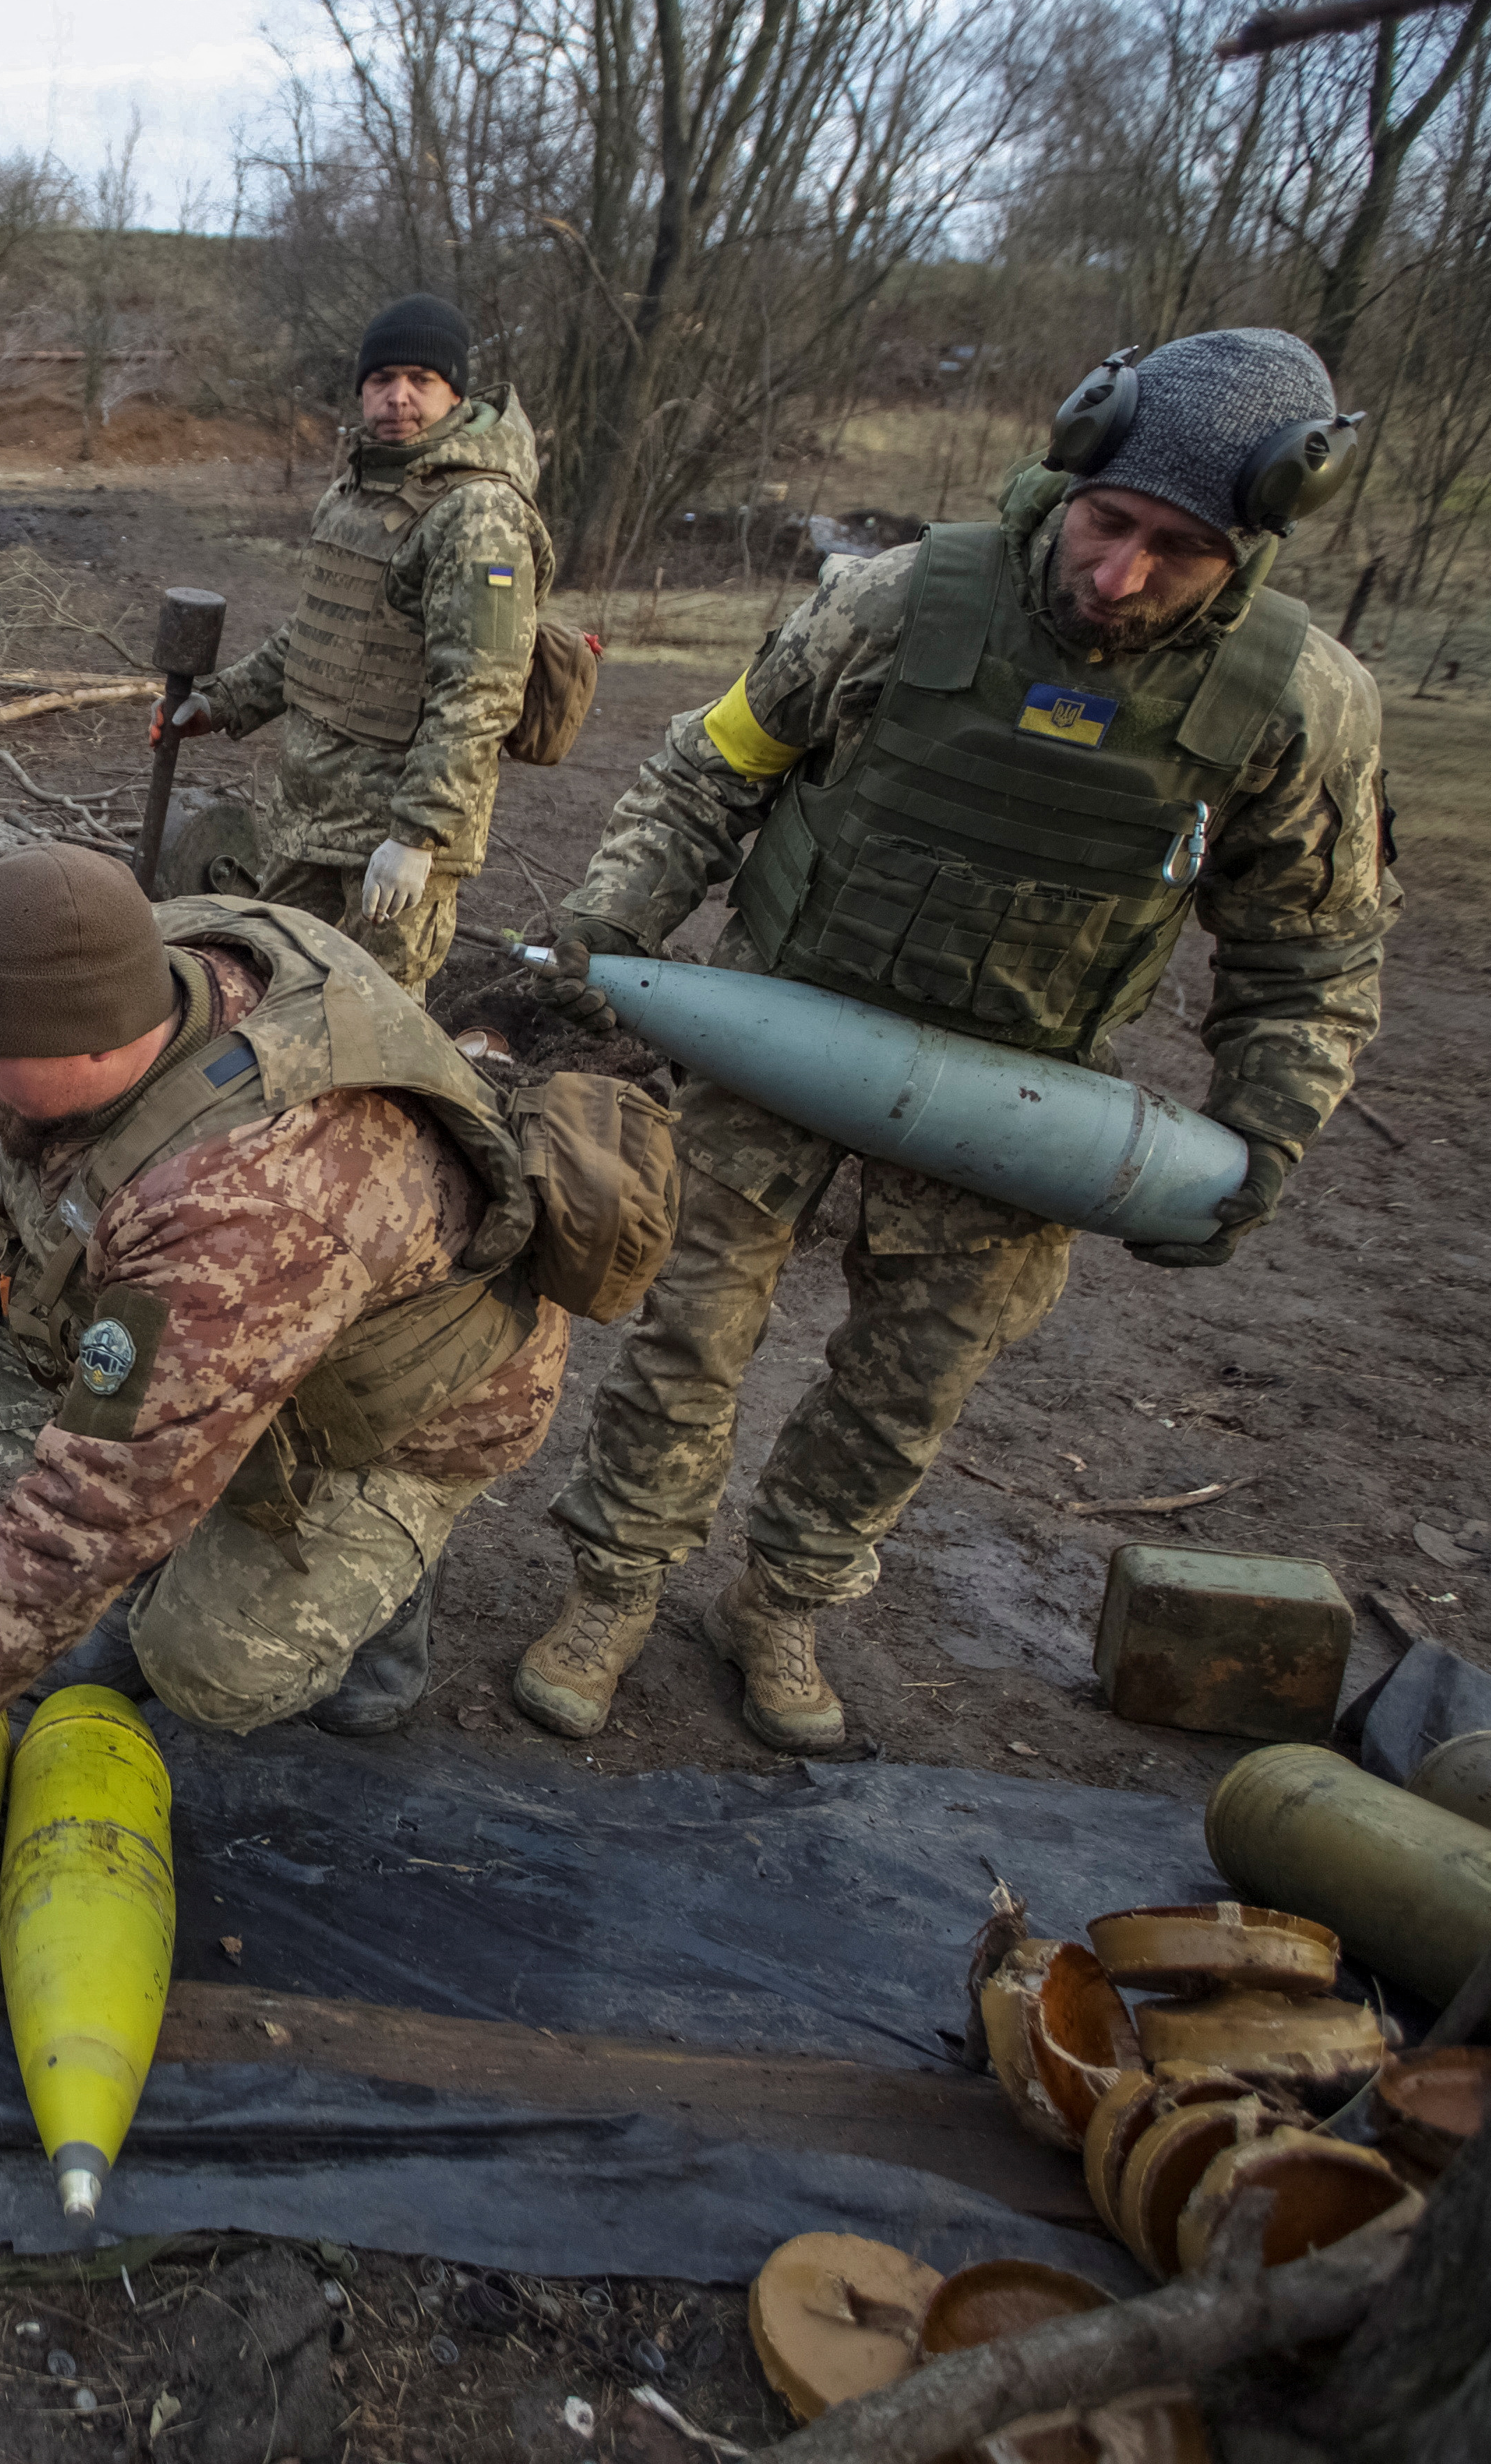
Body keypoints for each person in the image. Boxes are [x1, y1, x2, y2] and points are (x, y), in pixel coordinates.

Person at [510, 327, 1394, 1754]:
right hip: (777, 1037)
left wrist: (1265, 1136)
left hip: (1019, 1109)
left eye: (1178, 550)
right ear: (1073, 466)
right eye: (1108, 525)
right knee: (682, 1338)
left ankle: (783, 1599)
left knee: (904, 1392)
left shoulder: (1298, 708)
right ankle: (614, 1585)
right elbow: (711, 769)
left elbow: (1313, 953)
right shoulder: (899, 602)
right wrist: (612, 919)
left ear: (1256, 544)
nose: (1119, 578)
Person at [0, 845, 577, 1817]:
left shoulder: (240, 1208)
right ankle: (180, 1525)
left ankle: (390, 1597)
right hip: (277, 1317)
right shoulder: (149, 958)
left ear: (96, 1045)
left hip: (416, 1409)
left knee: (206, 1666)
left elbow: (97, 1504)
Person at [152, 292, 553, 994]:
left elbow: (481, 693)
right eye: (381, 380)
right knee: (278, 999)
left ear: (455, 393)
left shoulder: (478, 514)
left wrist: (417, 837)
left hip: (390, 839)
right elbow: (318, 634)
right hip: (309, 819)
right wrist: (222, 703)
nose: (397, 398)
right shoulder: (358, 489)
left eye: (420, 382)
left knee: (370, 1027)